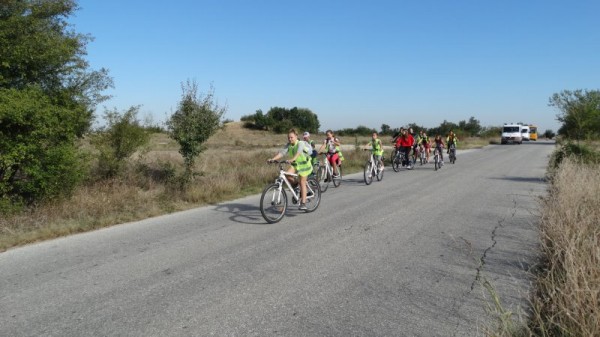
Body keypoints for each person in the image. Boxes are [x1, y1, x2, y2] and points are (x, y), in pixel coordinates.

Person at [268, 129, 313, 210]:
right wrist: (273, 159)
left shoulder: (301, 143)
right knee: (287, 175)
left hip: (304, 165)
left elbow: (298, 152)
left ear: (296, 136)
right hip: (296, 164)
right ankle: (295, 187)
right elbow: (281, 153)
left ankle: (303, 203)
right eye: (288, 138)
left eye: (291, 137)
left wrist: (292, 159)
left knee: (302, 182)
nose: (290, 139)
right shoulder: (288, 145)